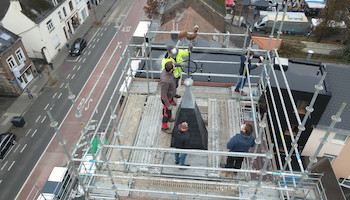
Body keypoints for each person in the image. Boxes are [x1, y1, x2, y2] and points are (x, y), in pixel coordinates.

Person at [160, 61, 177, 134]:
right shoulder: (165, 81)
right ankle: (164, 127)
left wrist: (180, 64)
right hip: (167, 99)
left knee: (168, 111)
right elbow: (163, 94)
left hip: (170, 96)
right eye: (174, 67)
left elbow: (173, 64)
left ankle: (169, 117)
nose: (175, 67)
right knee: (166, 114)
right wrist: (168, 105)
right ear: (171, 70)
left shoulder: (166, 69)